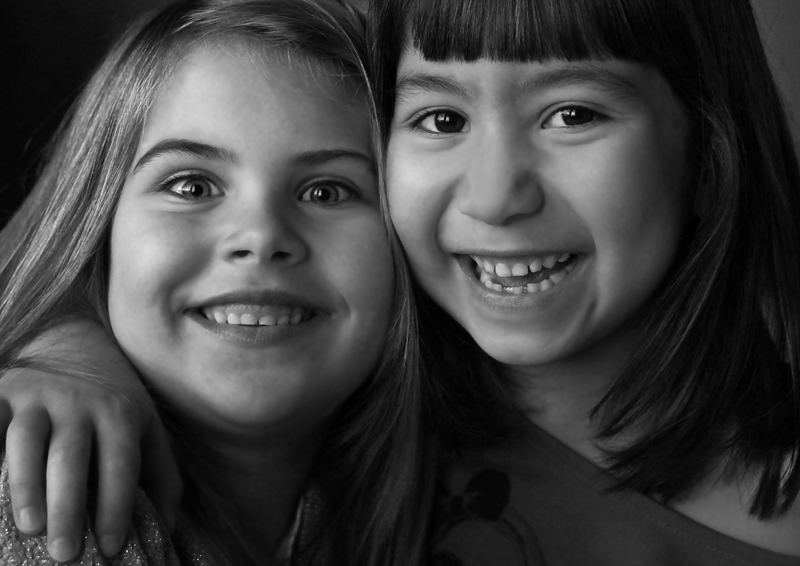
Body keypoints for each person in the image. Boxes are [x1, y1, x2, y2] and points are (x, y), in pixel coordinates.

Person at [4, 0, 800, 563]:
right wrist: (66, 354)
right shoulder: (356, 396)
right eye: (441, 119)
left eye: (574, 114)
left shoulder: (359, 407)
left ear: (709, 152)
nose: (495, 196)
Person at [0, 0, 435, 564]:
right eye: (192, 186)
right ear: (95, 229)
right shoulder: (42, 490)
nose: (260, 236)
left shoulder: (456, 497)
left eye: (326, 191)